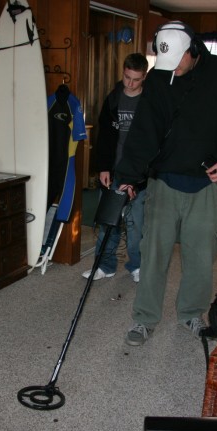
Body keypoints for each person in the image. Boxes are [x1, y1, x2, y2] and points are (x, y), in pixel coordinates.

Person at [115, 21, 217, 346]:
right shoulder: (162, 76)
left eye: (178, 60)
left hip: (206, 182)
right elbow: (145, 130)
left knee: (201, 255)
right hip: (164, 182)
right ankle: (144, 319)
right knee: (153, 255)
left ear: (193, 50)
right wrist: (128, 175)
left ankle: (192, 312)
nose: (172, 68)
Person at [82, 53, 149, 283]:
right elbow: (104, 139)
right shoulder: (112, 99)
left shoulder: (150, 103)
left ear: (144, 77)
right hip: (114, 171)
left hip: (139, 175)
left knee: (135, 225)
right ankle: (105, 265)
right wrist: (103, 168)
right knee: (108, 222)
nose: (130, 83)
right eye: (127, 77)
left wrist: (141, 178)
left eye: (136, 79)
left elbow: (153, 144)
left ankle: (137, 265)